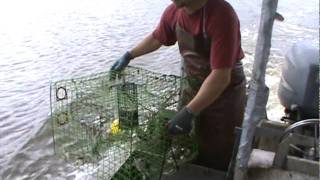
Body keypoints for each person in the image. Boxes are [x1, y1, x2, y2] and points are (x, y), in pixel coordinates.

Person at [110, 0, 246, 171]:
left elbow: (221, 76)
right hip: (193, 83)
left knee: (218, 149)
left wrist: (190, 111)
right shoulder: (174, 11)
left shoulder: (221, 14)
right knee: (185, 140)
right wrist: (129, 55)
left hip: (224, 93)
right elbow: (156, 38)